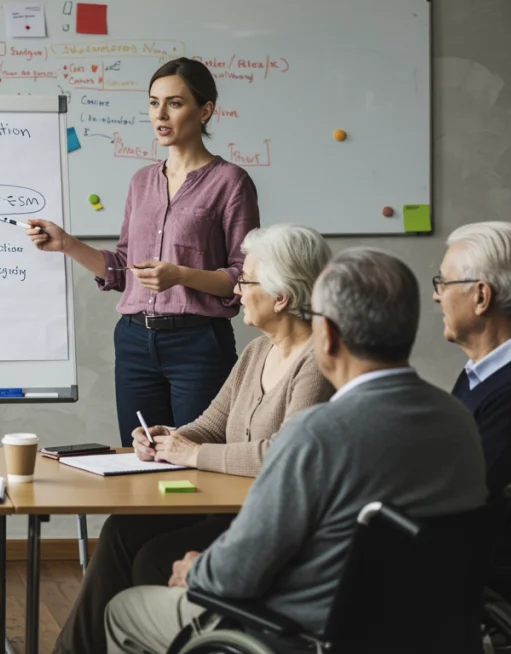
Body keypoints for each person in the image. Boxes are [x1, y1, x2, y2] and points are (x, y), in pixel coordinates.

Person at [103, 248, 487, 653]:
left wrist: (196, 570)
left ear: (330, 335)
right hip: (424, 630)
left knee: (125, 610)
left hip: (298, 632)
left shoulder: (315, 434)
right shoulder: (457, 418)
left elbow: (239, 571)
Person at [53, 224, 334, 654]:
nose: (237, 289)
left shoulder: (317, 363)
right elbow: (211, 422)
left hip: (265, 524)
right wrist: (169, 437)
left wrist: (194, 453)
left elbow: (283, 455)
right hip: (228, 510)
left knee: (151, 557)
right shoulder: (257, 351)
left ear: (282, 297)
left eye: (248, 280)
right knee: (122, 530)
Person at [27, 57, 261, 447]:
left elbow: (243, 276)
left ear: (205, 111)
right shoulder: (140, 182)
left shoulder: (231, 182)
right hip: (135, 342)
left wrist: (181, 276)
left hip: (199, 344)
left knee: (197, 464)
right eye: (153, 103)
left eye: (174, 103)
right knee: (140, 459)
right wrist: (66, 244)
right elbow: (121, 269)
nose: (160, 115)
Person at [434, 221, 511, 623]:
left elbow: (462, 502)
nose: (437, 296)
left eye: (444, 282)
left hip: (478, 586)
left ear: (481, 295)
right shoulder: (487, 373)